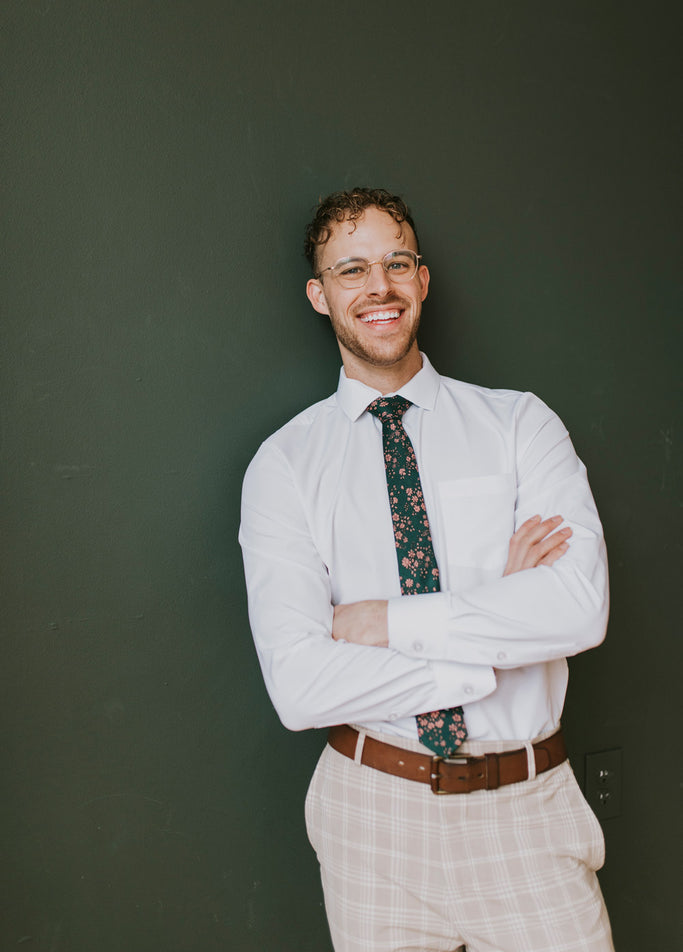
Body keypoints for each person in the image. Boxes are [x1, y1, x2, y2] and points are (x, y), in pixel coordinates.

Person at [239, 187, 614, 952]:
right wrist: (492, 632)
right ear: (320, 295)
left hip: (527, 809)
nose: (378, 287)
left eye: (395, 263)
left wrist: (384, 624)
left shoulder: (518, 424)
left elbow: (577, 609)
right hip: (372, 813)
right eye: (351, 270)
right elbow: (301, 686)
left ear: (422, 279)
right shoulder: (284, 464)